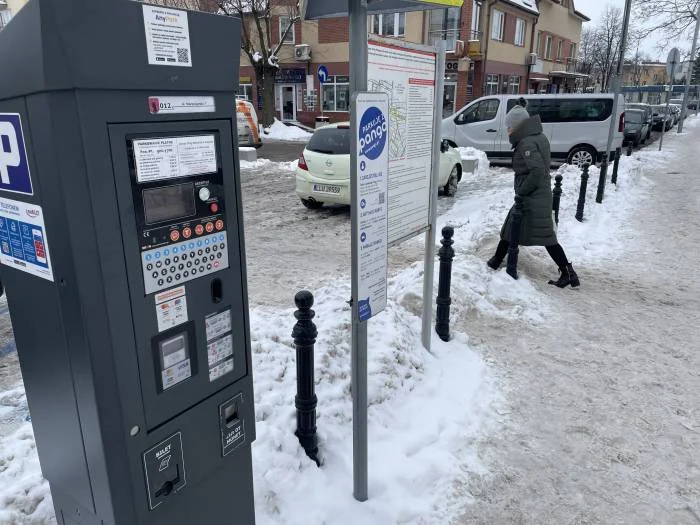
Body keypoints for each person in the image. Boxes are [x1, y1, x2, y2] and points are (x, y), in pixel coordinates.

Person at [487, 98, 580, 289]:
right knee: (512, 226)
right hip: (537, 194)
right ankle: (496, 259)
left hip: (533, 196)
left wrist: (522, 189)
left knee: (545, 236)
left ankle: (568, 272)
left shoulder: (526, 143)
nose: (508, 130)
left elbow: (537, 171)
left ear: (517, 125)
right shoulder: (537, 137)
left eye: (509, 126)